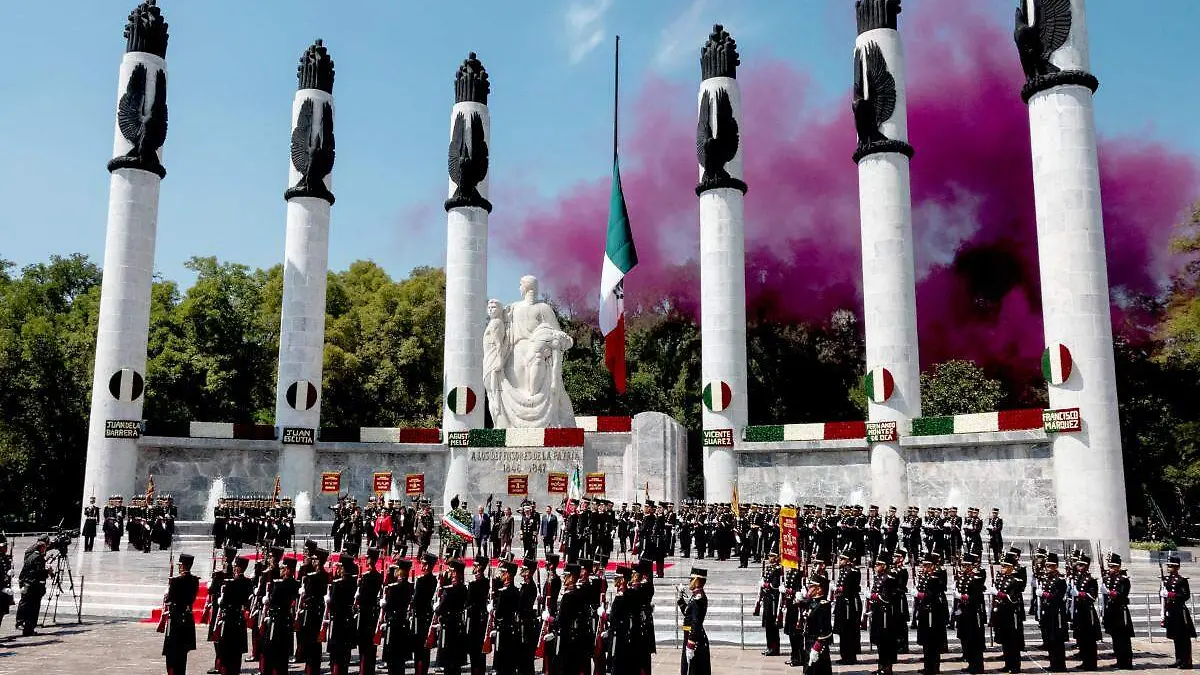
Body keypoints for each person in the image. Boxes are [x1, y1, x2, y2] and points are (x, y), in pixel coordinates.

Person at [261, 557, 300, 675]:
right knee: (282, 654)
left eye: (283, 568)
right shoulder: (295, 584)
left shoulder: (281, 585)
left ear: (288, 570)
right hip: (286, 621)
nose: (281, 570)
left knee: (272, 651)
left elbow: (272, 602)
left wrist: (267, 599)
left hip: (277, 621)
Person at [163, 553, 201, 675]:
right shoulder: (195, 580)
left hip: (175, 619)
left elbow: (169, 599)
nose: (179, 567)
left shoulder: (176, 581)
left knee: (172, 655)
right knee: (182, 654)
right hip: (187, 618)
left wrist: (168, 591)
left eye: (180, 565)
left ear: (183, 566)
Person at [215, 556, 254, 675]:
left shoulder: (231, 583)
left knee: (227, 654)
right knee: (237, 655)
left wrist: (220, 599)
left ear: (237, 568)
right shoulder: (248, 582)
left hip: (229, 620)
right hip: (240, 619)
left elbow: (223, 603)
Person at [991, 552, 1026, 674]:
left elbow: (1013, 598)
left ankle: (1015, 666)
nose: (1003, 568)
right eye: (1002, 566)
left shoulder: (1016, 581)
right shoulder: (1001, 579)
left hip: (1011, 614)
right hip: (1002, 614)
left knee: (1013, 642)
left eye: (1005, 566)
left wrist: (999, 594)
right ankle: (1007, 664)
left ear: (1011, 567)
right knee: (1005, 641)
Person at [866, 555, 899, 675]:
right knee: (880, 641)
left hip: (886, 614)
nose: (875, 567)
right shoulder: (878, 578)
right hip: (878, 612)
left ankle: (887, 667)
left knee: (886, 641)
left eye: (878, 565)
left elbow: (886, 598)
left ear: (884, 566)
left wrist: (873, 596)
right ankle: (881, 666)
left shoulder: (888, 579)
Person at [956, 554, 987, 675]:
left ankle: (977, 666)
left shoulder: (976, 578)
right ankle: (971, 664)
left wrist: (963, 596)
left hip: (973, 613)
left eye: (965, 565)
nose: (963, 567)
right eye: (963, 565)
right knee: (967, 640)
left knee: (975, 641)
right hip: (964, 611)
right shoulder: (964, 577)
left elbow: (976, 597)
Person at [436, 559, 469, 675]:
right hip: (458, 625)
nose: (449, 573)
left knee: (448, 662)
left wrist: (437, 605)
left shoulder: (449, 591)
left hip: (448, 627)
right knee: (456, 664)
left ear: (455, 573)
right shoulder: (464, 589)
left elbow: (440, 610)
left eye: (451, 571)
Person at [380, 561, 414, 675]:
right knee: (400, 661)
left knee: (392, 660)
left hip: (393, 623)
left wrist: (383, 603)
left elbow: (388, 606)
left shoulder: (394, 588)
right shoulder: (410, 585)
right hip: (403, 622)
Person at [1102, 553, 1134, 669]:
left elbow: (1123, 594)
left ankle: (1127, 662)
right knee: (1115, 637)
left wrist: (1112, 593)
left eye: (1112, 566)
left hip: (1121, 611)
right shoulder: (1109, 579)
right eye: (1109, 566)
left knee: (1123, 638)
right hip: (1112, 611)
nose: (1110, 569)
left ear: (1118, 567)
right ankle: (1119, 660)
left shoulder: (1123, 579)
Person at [1162, 555, 1195, 669]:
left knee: (1183, 638)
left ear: (1177, 567)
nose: (1168, 568)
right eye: (1168, 566)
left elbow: (1185, 595)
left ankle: (1187, 661)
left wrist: (1171, 595)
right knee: (1176, 637)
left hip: (1180, 612)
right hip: (1171, 611)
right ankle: (1179, 659)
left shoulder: (1182, 580)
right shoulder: (1166, 580)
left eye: (1170, 566)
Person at [1038, 553, 1069, 673]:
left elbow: (1058, 597)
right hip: (1048, 612)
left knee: (1057, 639)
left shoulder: (1060, 580)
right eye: (1047, 566)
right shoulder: (1047, 579)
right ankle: (1053, 663)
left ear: (1055, 566)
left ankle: (1060, 665)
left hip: (1057, 613)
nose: (1047, 568)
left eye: (1050, 566)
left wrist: (1044, 594)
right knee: (1050, 639)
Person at [1070, 553, 1101, 670]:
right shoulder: (1079, 578)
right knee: (1082, 638)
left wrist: (1080, 594)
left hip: (1088, 612)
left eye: (1081, 565)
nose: (1079, 567)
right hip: (1080, 611)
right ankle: (1086, 661)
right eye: (1078, 565)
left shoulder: (1091, 580)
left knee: (1090, 639)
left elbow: (1093, 597)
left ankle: (1091, 663)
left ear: (1086, 566)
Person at [15, 535, 50, 636]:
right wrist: (47, 571)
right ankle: (28, 627)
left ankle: (26, 626)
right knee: (33, 607)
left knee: (28, 605)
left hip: (28, 582)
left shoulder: (32, 555)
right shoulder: (38, 557)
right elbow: (38, 572)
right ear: (42, 547)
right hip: (33, 585)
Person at [358, 548, 385, 675]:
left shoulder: (366, 577)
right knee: (370, 646)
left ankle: (364, 670)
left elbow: (362, 597)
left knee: (364, 645)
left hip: (365, 612)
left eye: (367, 558)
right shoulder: (379, 576)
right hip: (373, 613)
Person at [678, 567, 710, 675]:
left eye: (691, 579)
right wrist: (680, 599)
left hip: (694, 638)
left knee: (693, 670)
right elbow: (688, 613)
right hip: (689, 635)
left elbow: (696, 622)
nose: (689, 582)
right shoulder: (695, 596)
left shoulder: (699, 598)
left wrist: (691, 644)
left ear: (696, 580)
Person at [832, 549, 861, 665]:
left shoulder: (853, 571)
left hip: (849, 604)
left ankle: (850, 656)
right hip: (842, 602)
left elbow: (850, 588)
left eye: (842, 559)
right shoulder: (845, 570)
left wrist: (839, 589)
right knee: (843, 631)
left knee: (849, 630)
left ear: (848, 560)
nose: (840, 561)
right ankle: (844, 655)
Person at [801, 573, 833, 675]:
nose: (809, 589)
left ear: (819, 589)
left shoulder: (823, 605)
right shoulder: (812, 601)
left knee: (819, 669)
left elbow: (826, 630)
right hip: (809, 639)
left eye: (811, 587)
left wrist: (817, 646)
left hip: (817, 642)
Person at [412, 553, 439, 675]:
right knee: (424, 650)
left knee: (420, 650)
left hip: (421, 617)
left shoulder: (422, 581)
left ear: (428, 566)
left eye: (424, 564)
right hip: (426, 616)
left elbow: (417, 600)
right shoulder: (433, 580)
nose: (422, 566)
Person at [759, 552, 782, 656]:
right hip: (767, 598)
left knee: (772, 624)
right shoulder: (769, 568)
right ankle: (769, 646)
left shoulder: (777, 569)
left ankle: (774, 648)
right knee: (768, 624)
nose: (769, 558)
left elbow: (775, 585)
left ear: (777, 557)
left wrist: (765, 584)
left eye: (772, 556)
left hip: (773, 599)